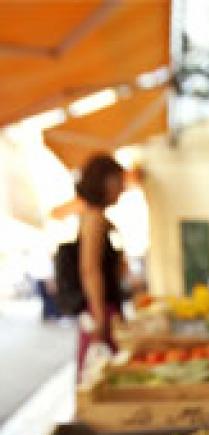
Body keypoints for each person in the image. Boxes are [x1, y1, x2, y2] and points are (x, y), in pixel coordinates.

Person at [76, 153, 126, 372]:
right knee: (102, 373)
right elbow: (90, 269)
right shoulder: (94, 218)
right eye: (118, 181)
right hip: (101, 308)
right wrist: (99, 317)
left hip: (105, 306)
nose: (122, 189)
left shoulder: (99, 218)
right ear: (105, 181)